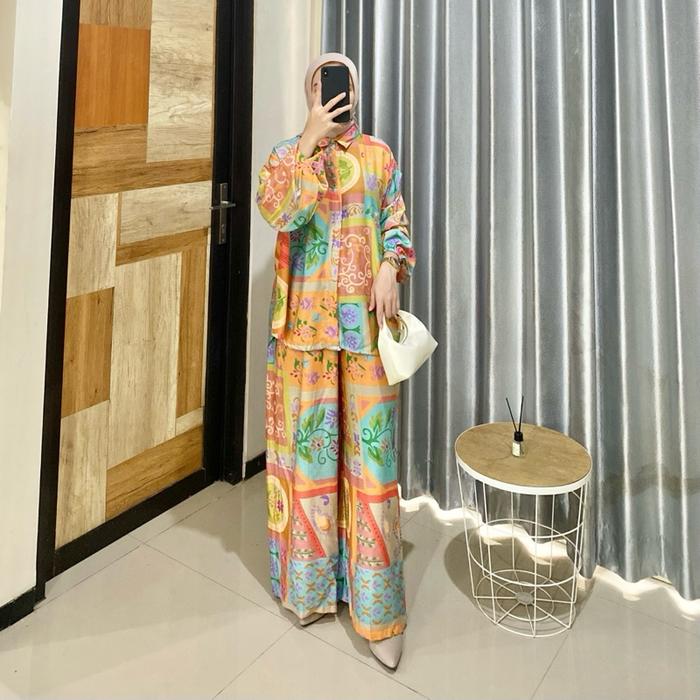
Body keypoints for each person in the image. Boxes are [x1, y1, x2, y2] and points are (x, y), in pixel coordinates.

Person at [255, 52, 415, 669]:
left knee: (373, 468)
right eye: (323, 84)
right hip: (304, 335)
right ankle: (313, 589)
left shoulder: (379, 155)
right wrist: (308, 141)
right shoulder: (286, 155)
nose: (333, 94)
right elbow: (280, 211)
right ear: (310, 92)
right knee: (311, 468)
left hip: (367, 332)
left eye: (341, 83)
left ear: (356, 91)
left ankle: (378, 613)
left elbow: (396, 223)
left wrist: (389, 266)